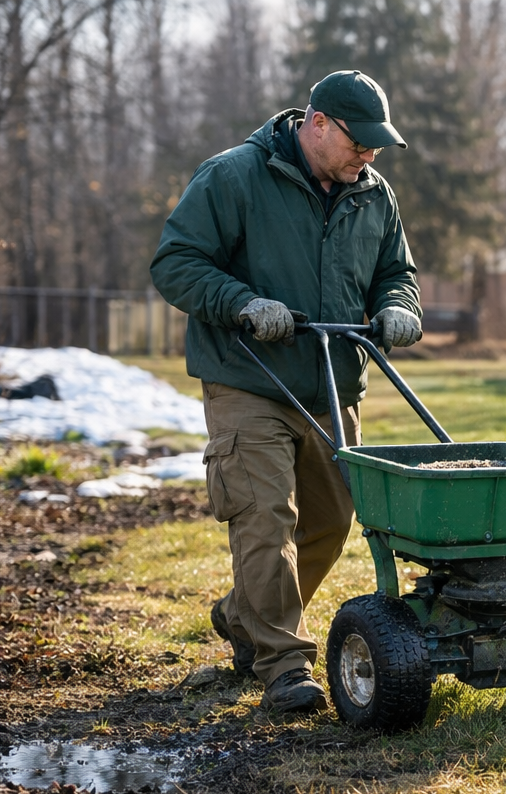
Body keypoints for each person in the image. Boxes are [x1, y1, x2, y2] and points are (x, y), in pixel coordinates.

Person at [151, 70, 423, 713]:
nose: (370, 156)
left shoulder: (372, 195)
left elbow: (396, 272)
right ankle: (283, 668)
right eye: (361, 142)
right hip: (249, 379)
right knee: (266, 519)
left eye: (378, 147)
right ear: (318, 123)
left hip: (333, 384)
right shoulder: (235, 176)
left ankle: (245, 613)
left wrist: (397, 308)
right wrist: (242, 303)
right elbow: (175, 263)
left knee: (330, 522)